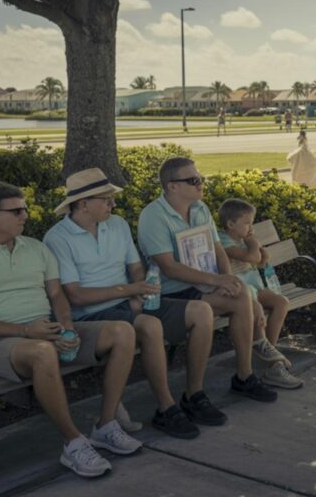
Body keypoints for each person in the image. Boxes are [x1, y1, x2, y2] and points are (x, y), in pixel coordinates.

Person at [0, 182, 141, 478]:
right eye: (16, 211)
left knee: (122, 331)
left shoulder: (36, 249)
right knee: (42, 352)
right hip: (0, 343)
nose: (25, 215)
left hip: (45, 331)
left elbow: (57, 297)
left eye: (24, 208)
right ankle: (73, 442)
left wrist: (66, 328)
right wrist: (27, 331)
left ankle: (106, 424)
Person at [44, 168, 225, 440]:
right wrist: (130, 290)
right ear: (83, 204)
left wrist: (137, 294)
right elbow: (76, 296)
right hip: (93, 316)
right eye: (106, 199)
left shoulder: (116, 224)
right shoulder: (57, 238)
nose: (113, 204)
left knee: (201, 311)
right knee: (150, 325)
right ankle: (166, 408)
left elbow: (136, 268)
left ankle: (194, 395)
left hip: (130, 304)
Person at [137, 157, 277, 403]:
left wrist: (228, 280)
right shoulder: (153, 216)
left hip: (202, 286)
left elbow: (218, 250)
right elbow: (169, 268)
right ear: (172, 186)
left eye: (200, 178)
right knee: (214, 306)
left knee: (242, 294)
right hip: (171, 294)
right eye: (193, 180)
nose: (201, 184)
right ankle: (194, 394)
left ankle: (245, 377)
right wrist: (217, 280)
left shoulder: (200, 209)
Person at [219, 198, 303, 389]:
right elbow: (250, 257)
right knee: (257, 312)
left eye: (252, 222)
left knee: (281, 302)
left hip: (256, 287)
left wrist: (260, 255)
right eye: (247, 223)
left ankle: (269, 352)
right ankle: (271, 359)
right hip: (241, 290)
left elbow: (259, 261)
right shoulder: (224, 240)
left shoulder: (242, 239)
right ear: (231, 224)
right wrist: (253, 243)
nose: (251, 227)